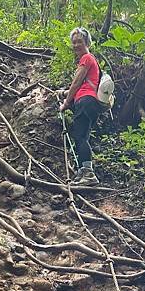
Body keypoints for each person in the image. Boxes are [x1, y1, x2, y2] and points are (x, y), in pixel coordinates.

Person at [60, 27, 102, 186]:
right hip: (89, 102)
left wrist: (66, 103)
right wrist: (65, 93)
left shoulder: (86, 58)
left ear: (87, 43)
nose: (76, 45)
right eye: (74, 42)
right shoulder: (91, 60)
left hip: (85, 101)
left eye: (80, 42)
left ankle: (89, 174)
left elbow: (77, 82)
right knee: (82, 136)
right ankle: (83, 171)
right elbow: (84, 84)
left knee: (80, 137)